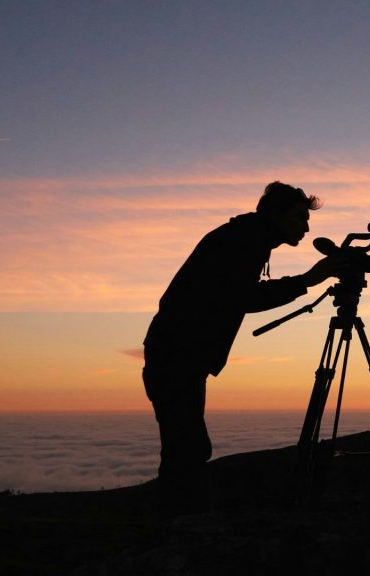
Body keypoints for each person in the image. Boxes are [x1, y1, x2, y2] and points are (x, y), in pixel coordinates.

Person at [142, 181, 345, 518]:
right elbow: (244, 297)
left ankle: (176, 524)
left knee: (185, 446)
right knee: (186, 448)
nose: (307, 227)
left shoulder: (248, 236)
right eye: (299, 218)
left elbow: (236, 294)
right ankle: (178, 528)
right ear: (275, 215)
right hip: (177, 355)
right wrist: (307, 281)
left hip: (178, 354)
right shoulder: (244, 240)